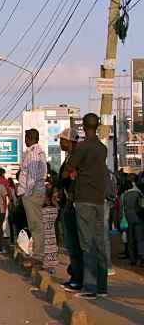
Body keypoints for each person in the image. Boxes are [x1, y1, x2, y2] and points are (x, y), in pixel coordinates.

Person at [64, 113, 109, 300]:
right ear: (98, 126)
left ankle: (89, 287)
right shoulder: (102, 148)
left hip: (84, 198)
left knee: (87, 244)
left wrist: (72, 172)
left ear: (83, 126)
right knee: (100, 244)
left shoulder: (83, 147)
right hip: (99, 198)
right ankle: (102, 287)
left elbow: (68, 169)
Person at [55, 128, 83, 290]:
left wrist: (68, 203)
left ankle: (78, 278)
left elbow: (73, 183)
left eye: (61, 140)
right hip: (68, 204)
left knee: (74, 244)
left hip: (72, 205)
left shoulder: (75, 160)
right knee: (72, 244)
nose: (60, 143)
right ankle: (75, 275)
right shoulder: (70, 158)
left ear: (68, 141)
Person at [18, 128, 48, 269]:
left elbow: (33, 176)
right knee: (34, 225)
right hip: (33, 192)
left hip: (33, 192)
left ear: (29, 138)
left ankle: (38, 257)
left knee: (36, 225)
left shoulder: (34, 153)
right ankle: (37, 255)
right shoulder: (33, 152)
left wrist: (27, 193)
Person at [121, 173, 144, 267]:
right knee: (140, 238)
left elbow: (122, 209)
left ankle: (132, 259)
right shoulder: (138, 193)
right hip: (139, 217)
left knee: (130, 238)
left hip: (128, 217)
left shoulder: (124, 196)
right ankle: (142, 256)